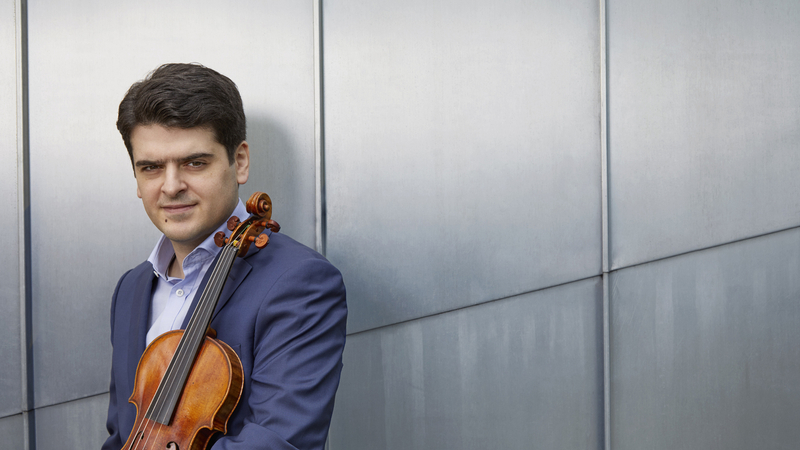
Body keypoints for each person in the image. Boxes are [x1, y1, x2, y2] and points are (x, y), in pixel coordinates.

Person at [102, 63, 347, 450]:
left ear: (240, 161)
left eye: (194, 162)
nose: (171, 186)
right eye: (151, 168)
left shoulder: (302, 282)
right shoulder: (131, 290)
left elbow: (278, 442)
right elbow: (123, 436)